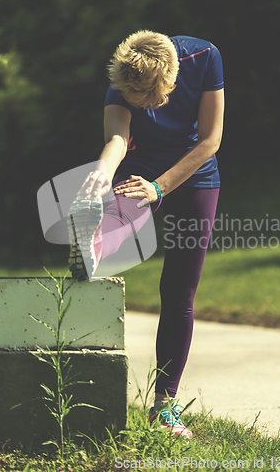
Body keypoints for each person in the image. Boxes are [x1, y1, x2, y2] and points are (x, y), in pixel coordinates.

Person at [68, 30, 224, 438]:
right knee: (124, 205)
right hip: (139, 171)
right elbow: (118, 137)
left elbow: (210, 140)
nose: (146, 109)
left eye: (150, 102)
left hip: (194, 174)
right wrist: (102, 171)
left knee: (179, 291)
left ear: (170, 81)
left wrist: (162, 186)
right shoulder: (126, 76)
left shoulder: (205, 57)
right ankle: (93, 241)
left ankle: (164, 406)